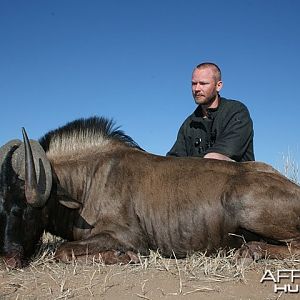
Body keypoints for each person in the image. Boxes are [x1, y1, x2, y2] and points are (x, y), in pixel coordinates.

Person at [167, 62, 254, 162]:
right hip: (197, 176)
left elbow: (220, 156)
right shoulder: (189, 124)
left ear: (218, 86)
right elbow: (173, 160)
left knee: (214, 158)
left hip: (238, 176)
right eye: (194, 83)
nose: (197, 89)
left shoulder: (237, 112)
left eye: (203, 83)